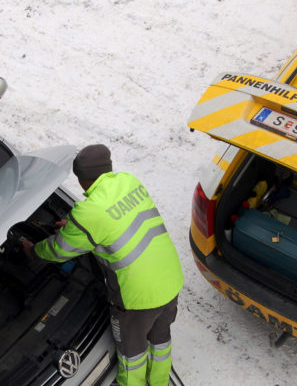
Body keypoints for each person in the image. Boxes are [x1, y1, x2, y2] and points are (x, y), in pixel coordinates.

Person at [21, 144, 183, 386]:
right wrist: (76, 226)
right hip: (170, 279)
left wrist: (33, 251)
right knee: (160, 340)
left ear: (82, 180)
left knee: (133, 355)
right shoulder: (129, 182)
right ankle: (159, 382)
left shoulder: (88, 212)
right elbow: (116, 221)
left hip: (138, 298)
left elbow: (58, 250)